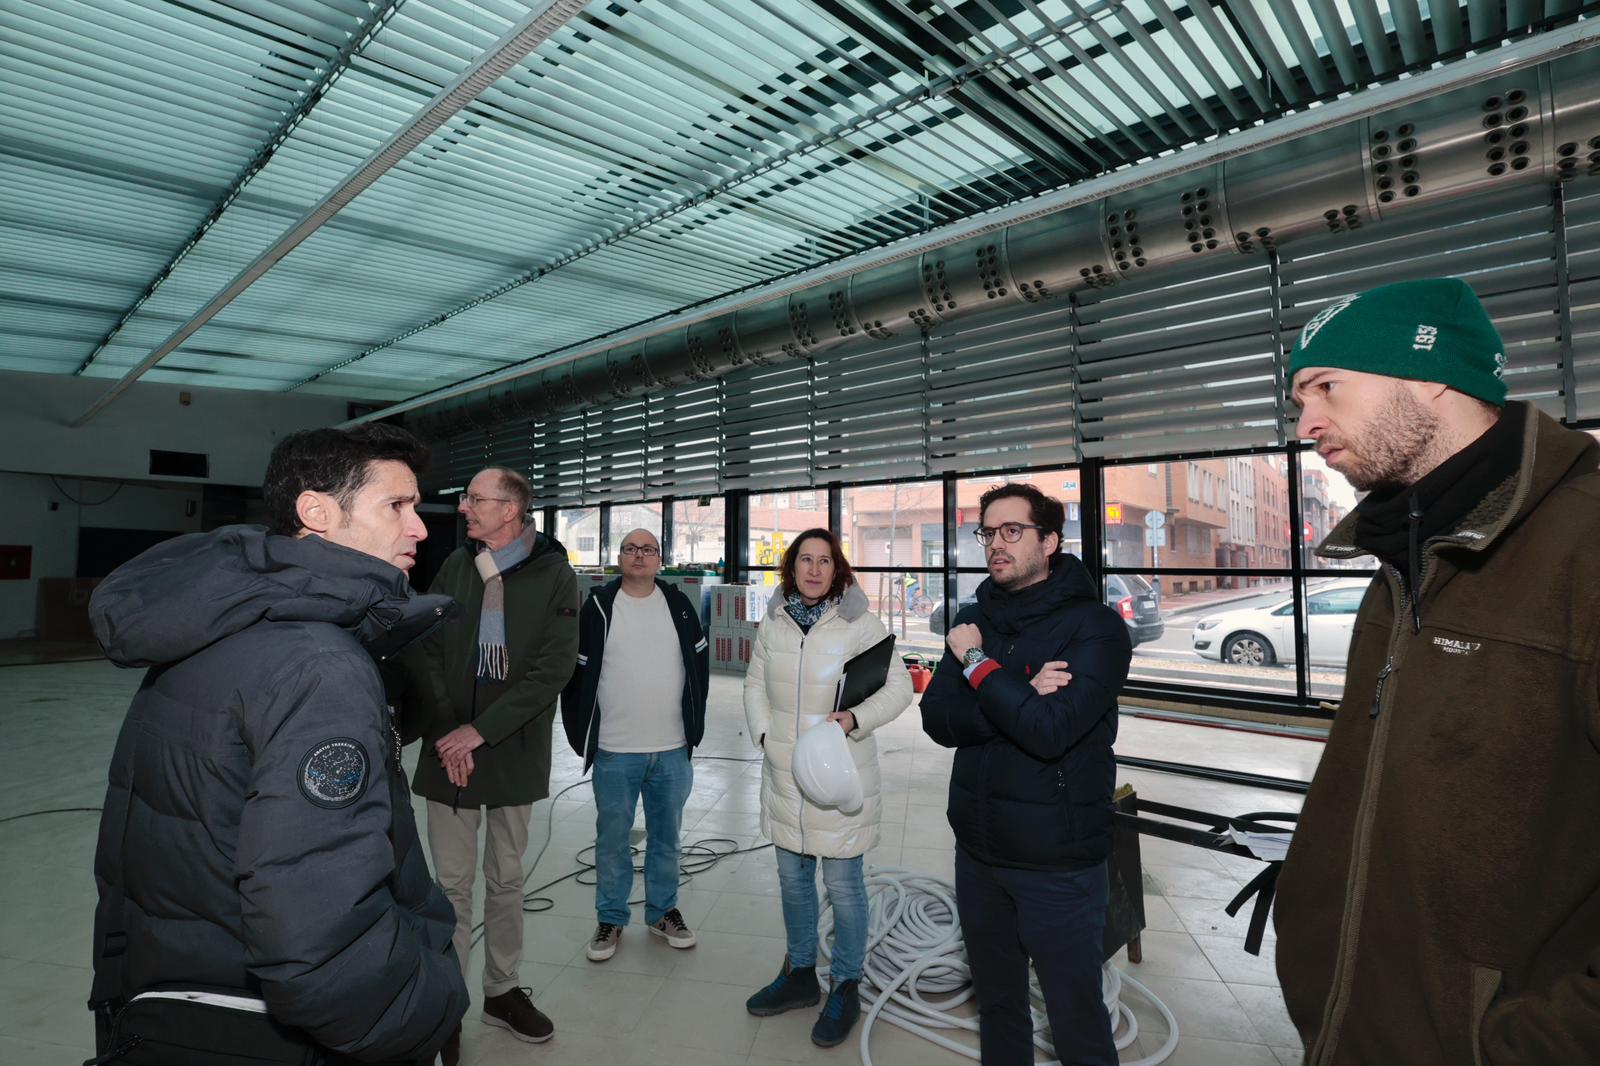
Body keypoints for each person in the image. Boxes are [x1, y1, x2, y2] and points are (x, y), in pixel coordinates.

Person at [1274, 277, 1600, 1066]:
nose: (1305, 423)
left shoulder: (1585, 546)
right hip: (1354, 1026)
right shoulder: (1399, 559)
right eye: (1297, 400)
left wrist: (1544, 1041)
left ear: (1430, 376)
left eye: (1326, 387)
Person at [86, 424, 468, 1065]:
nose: (419, 527)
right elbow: (316, 919)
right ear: (316, 511)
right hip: (261, 1022)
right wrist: (422, 1008)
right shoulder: (320, 666)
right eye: (396, 506)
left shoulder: (221, 618)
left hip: (175, 980)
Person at [919, 482, 1131, 1066]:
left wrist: (978, 666)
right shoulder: (973, 618)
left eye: (1013, 531)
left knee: (1076, 1019)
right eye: (988, 532)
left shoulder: (1095, 627)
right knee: (998, 1006)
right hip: (979, 851)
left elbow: (1048, 731)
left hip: (1057, 862)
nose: (996, 543)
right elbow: (938, 719)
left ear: (1050, 541)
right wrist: (1016, 695)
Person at [405, 467, 578, 1056]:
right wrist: (451, 731)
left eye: (475, 499)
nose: (464, 508)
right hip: (448, 750)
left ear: (510, 509)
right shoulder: (457, 567)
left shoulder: (554, 575)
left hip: (511, 749)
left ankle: (502, 991)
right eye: (466, 498)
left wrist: (480, 732)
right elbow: (426, 648)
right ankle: (449, 1004)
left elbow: (553, 670)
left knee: (506, 880)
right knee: (451, 886)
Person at [742, 528, 913, 1048]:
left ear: (837, 569)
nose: (814, 570)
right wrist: (766, 735)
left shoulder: (859, 622)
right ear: (791, 567)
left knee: (843, 886)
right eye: (805, 560)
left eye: (824, 561)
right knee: (793, 881)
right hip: (784, 773)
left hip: (840, 775)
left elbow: (899, 686)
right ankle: (800, 974)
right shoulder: (775, 620)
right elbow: (754, 684)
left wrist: (854, 719)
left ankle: (845, 984)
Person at [559, 527, 710, 962]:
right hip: (615, 749)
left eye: (648, 549)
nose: (639, 555)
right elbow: (576, 674)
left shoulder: (679, 605)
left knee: (667, 840)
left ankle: (662, 912)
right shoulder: (598, 607)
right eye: (630, 549)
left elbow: (699, 669)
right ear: (619, 557)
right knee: (612, 841)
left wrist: (693, 729)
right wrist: (581, 735)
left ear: (660, 559)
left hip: (672, 748)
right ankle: (610, 917)